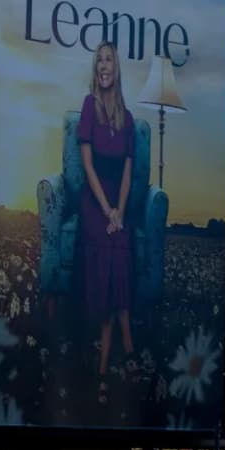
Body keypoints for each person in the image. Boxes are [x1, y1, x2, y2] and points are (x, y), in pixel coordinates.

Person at [78, 42, 136, 407]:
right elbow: (87, 166)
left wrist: (120, 211)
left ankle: (103, 369)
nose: (103, 66)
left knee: (118, 253)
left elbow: (129, 174)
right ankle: (127, 350)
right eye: (99, 60)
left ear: (116, 69)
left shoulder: (127, 118)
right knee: (111, 254)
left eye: (109, 60)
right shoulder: (88, 107)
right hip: (93, 200)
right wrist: (106, 210)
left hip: (118, 204)